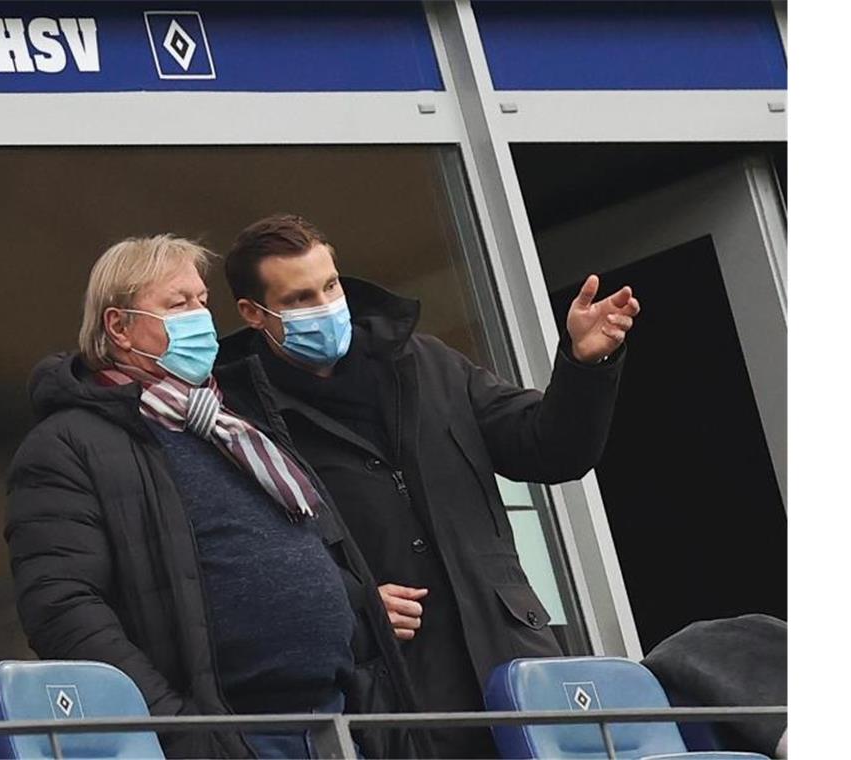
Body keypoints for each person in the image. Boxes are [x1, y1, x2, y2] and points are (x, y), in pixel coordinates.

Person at [217, 214, 640, 758]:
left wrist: (585, 363)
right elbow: (243, 564)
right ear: (254, 313)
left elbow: (549, 449)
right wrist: (346, 602)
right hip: (388, 688)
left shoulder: (427, 362)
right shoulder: (240, 418)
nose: (324, 306)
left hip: (506, 662)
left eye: (330, 285)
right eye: (299, 299)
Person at [5, 235, 425, 759]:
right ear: (119, 326)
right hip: (228, 736)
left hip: (333, 723)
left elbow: (292, 548)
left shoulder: (231, 428)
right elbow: (63, 610)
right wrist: (184, 730)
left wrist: (354, 605)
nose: (199, 318)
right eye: (177, 304)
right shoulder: (69, 446)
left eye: (202, 301)